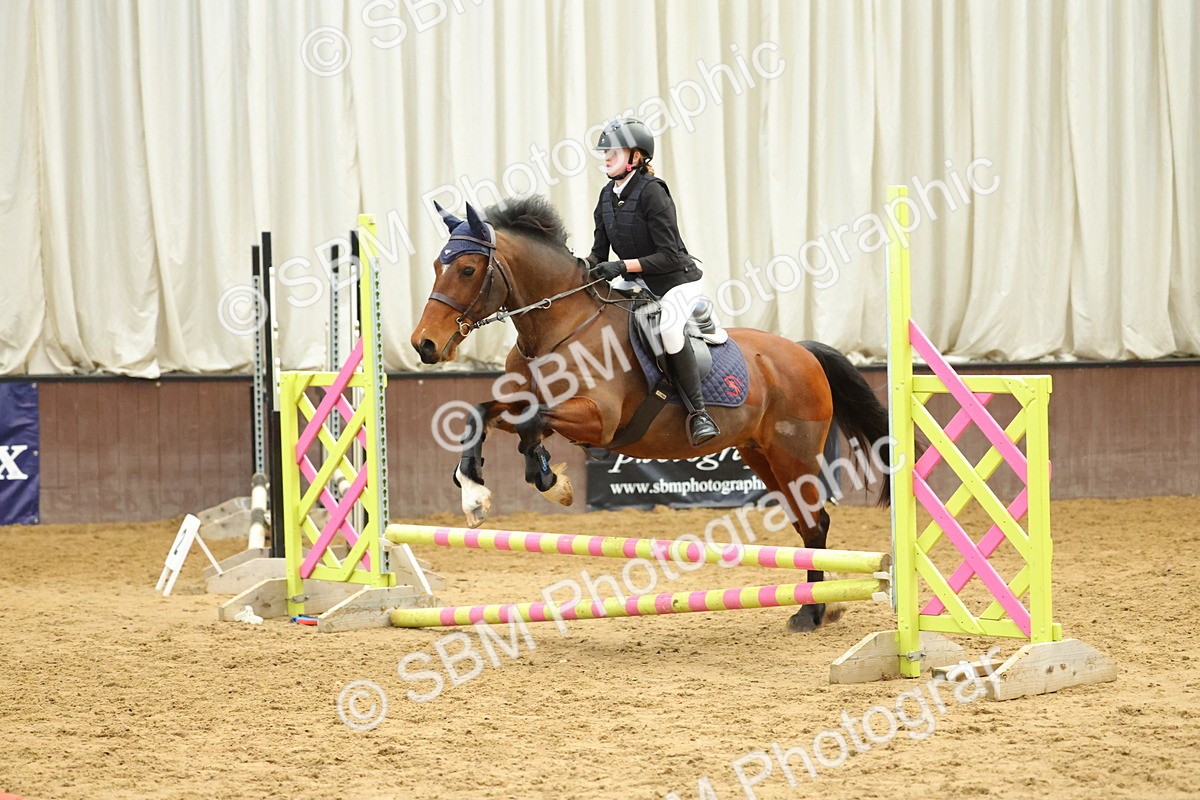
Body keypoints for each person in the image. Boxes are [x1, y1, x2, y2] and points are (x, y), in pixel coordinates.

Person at [586, 117, 720, 447]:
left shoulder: (652, 193)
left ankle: (698, 413)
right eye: (604, 152)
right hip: (639, 287)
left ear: (636, 157)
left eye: (613, 152)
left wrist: (621, 266)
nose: (606, 158)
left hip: (676, 282)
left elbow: (670, 256)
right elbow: (597, 254)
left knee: (669, 329)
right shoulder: (606, 196)